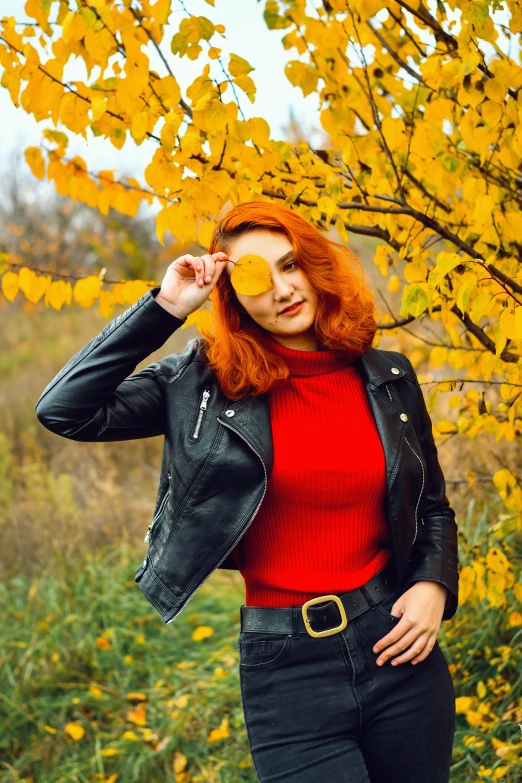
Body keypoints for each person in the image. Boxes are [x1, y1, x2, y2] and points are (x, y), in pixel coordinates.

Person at [36, 201, 459, 783]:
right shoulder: (202, 384)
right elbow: (65, 409)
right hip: (287, 670)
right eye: (256, 278)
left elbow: (430, 503)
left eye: (292, 265)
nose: (283, 290)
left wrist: (433, 583)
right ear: (233, 294)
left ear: (315, 268)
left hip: (396, 642)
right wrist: (165, 310)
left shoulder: (387, 376)